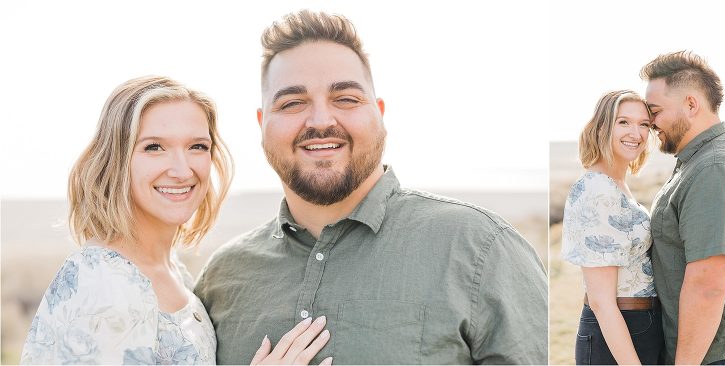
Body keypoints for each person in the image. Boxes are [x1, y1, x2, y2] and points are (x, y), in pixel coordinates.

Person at [194, 9, 548, 365]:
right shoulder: (222, 278)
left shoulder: (480, 248)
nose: (320, 121)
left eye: (346, 99)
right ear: (262, 123)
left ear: (378, 113)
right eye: (292, 103)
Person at [20, 76, 332, 365]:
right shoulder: (103, 285)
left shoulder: (173, 272)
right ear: (116, 159)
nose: (182, 170)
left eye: (197, 146)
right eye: (154, 147)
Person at [641, 51, 725, 365]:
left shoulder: (717, 167)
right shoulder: (696, 162)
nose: (649, 122)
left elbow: (708, 285)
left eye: (654, 111)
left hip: (724, 355)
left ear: (691, 104)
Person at [561, 90, 664, 364]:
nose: (637, 133)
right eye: (624, 122)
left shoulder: (617, 184)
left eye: (644, 124)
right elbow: (602, 302)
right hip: (619, 329)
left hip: (638, 324)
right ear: (602, 127)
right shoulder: (598, 190)